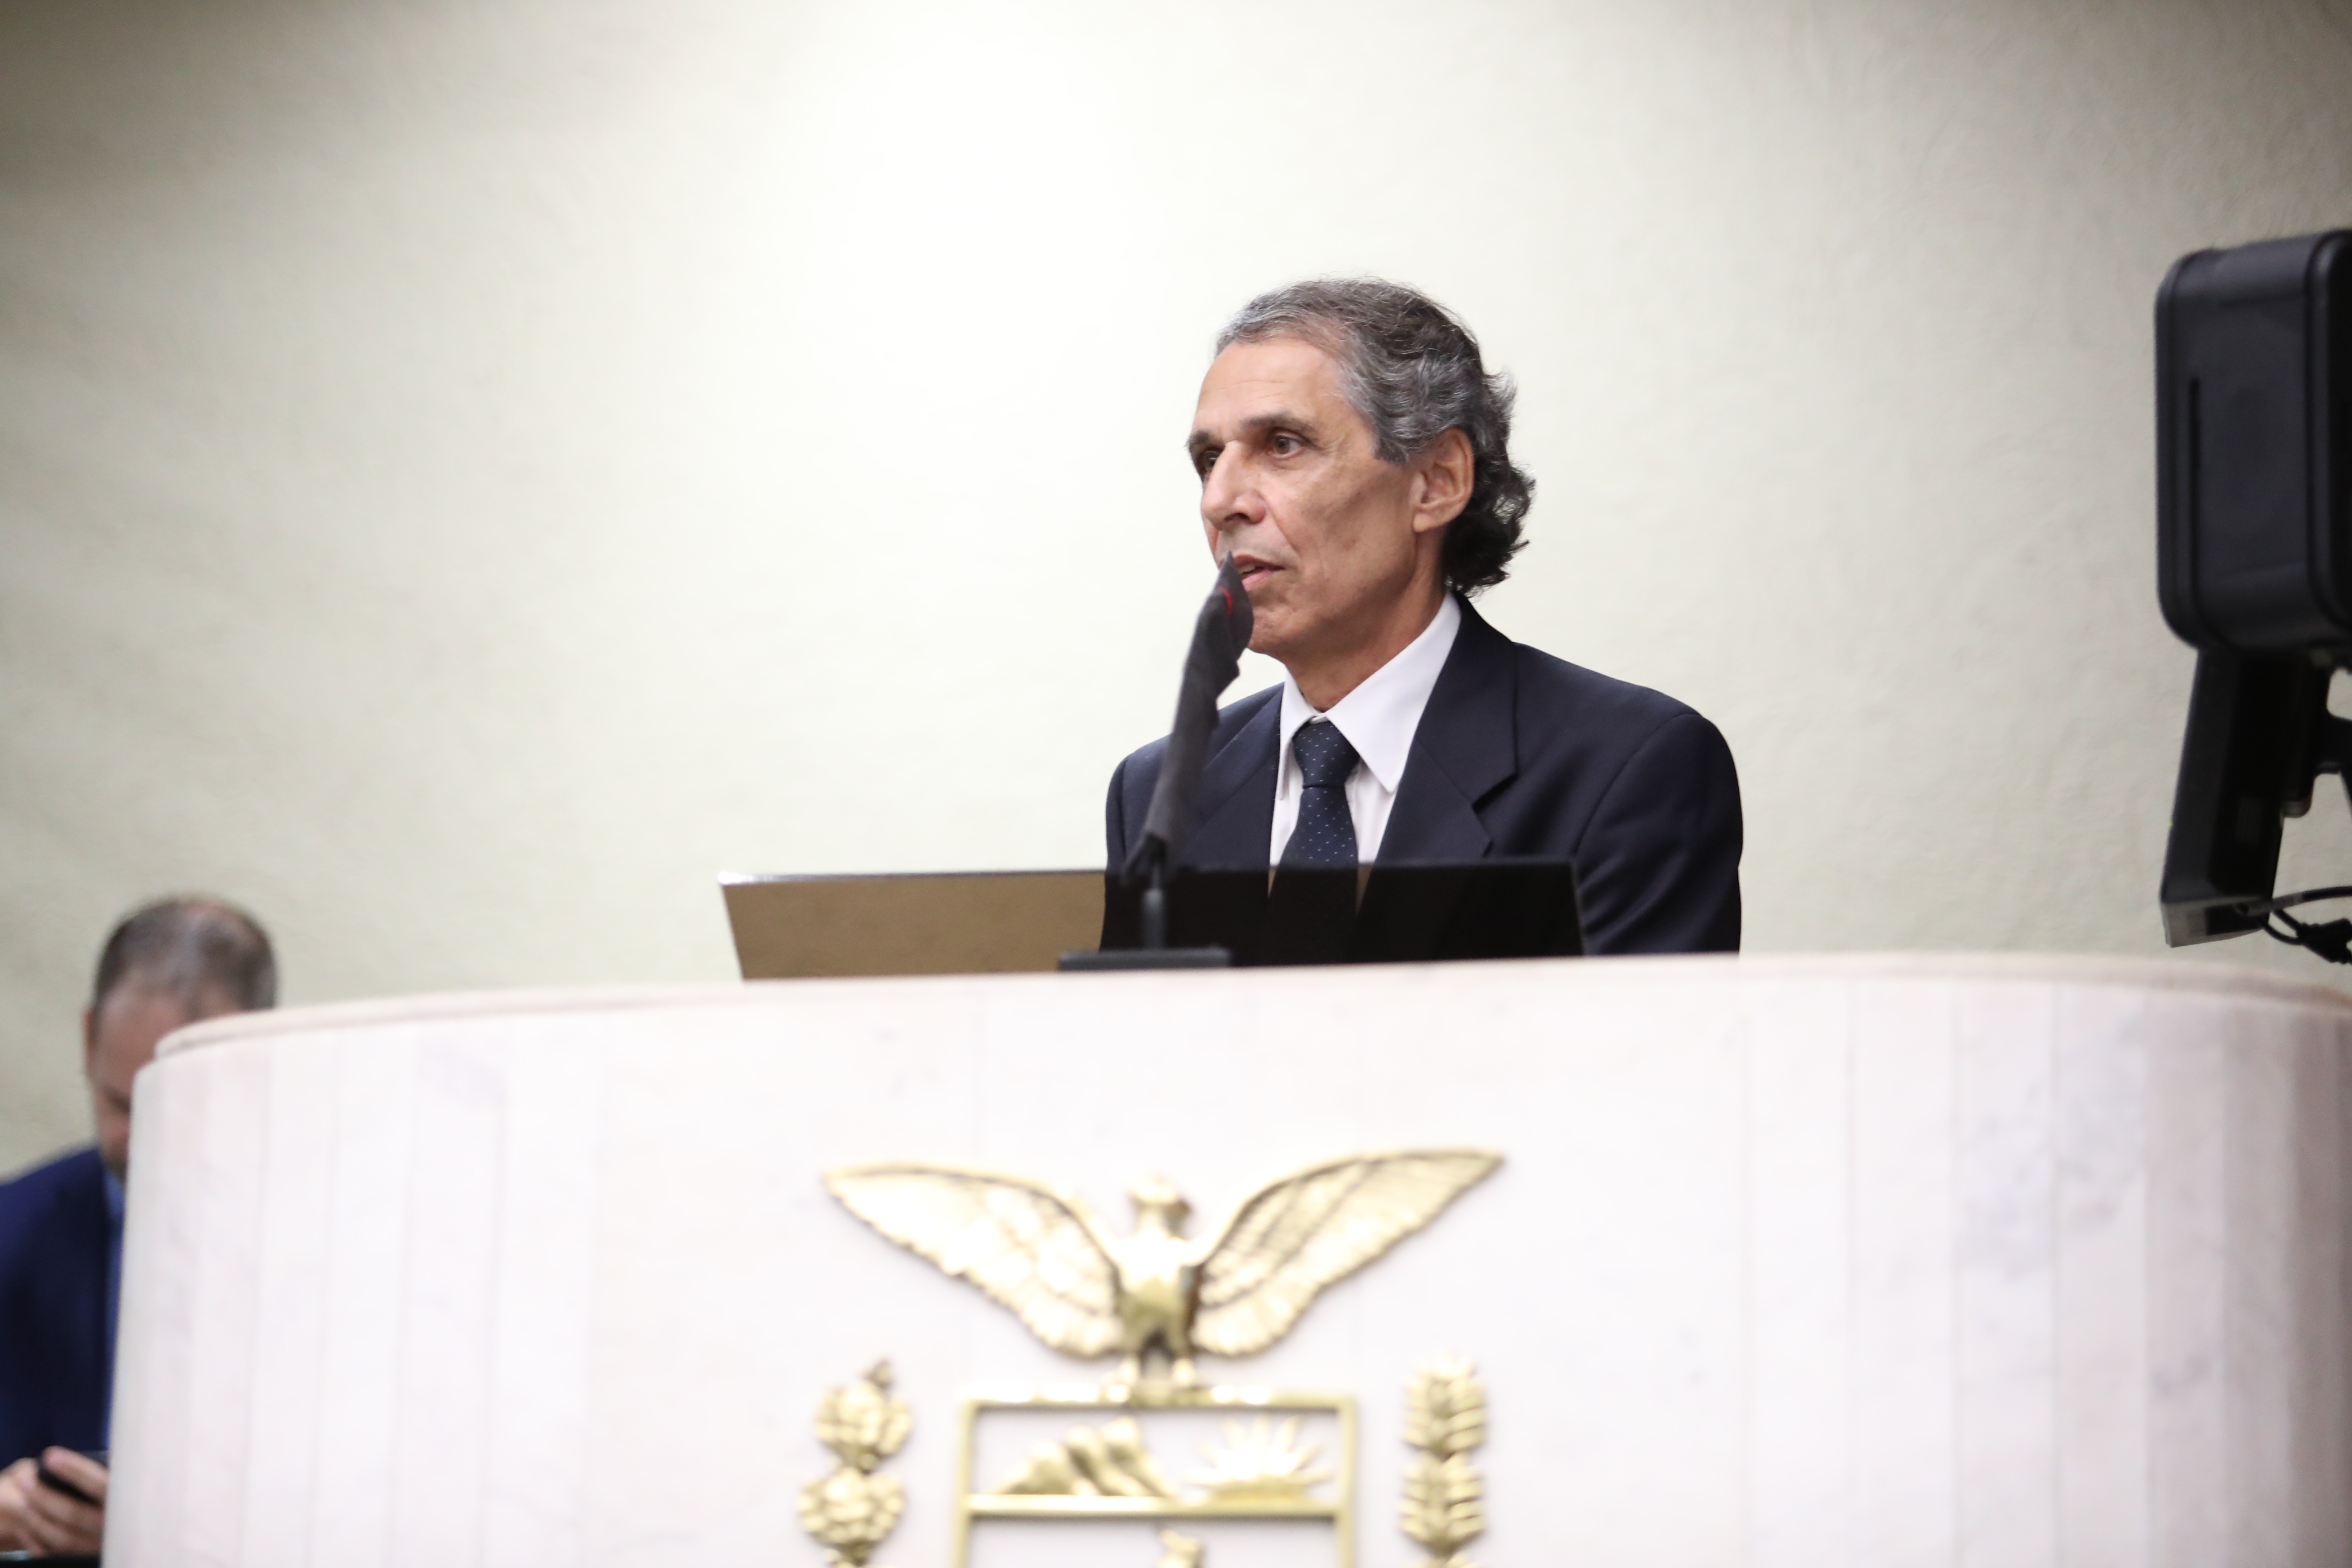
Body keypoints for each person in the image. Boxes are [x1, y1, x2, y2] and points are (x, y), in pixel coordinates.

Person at [1106, 279, 1742, 953]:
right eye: (1210, 459)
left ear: (1437, 481)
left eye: (1283, 444)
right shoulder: (1157, 796)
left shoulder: (1625, 768)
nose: (1220, 500)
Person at [0, 897, 277, 1556]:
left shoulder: (329, 1251)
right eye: (119, 1102)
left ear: (260, 1063)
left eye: (174, 1106)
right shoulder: (11, 1230)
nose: (139, 1138)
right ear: (88, 1037)